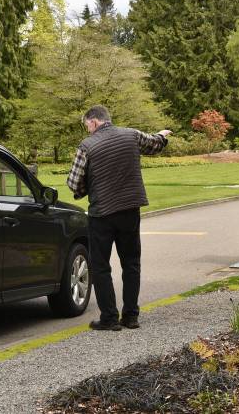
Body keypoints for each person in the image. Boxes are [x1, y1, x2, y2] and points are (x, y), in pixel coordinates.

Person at [66, 105, 171, 331]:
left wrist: (86, 188)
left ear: (94, 122)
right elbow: (154, 144)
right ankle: (131, 316)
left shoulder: (87, 146)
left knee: (100, 266)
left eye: (87, 125)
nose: (87, 130)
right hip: (130, 210)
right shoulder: (131, 135)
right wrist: (162, 136)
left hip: (102, 214)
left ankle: (109, 318)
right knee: (131, 263)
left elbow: (74, 183)